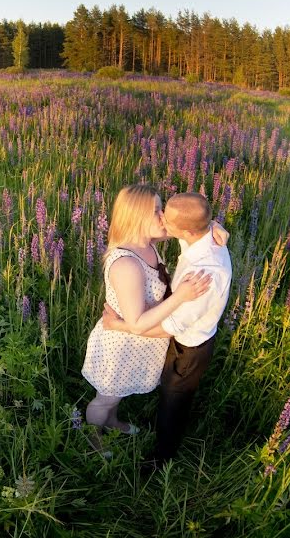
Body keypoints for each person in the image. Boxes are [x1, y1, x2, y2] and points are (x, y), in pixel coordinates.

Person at [81, 185, 228, 446]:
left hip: (137, 343)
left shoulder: (147, 242)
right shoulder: (126, 264)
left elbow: (187, 228)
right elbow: (136, 324)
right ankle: (94, 437)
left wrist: (212, 226)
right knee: (105, 398)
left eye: (162, 209)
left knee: (117, 395)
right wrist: (181, 296)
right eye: (157, 211)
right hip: (121, 344)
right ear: (137, 218)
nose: (163, 218)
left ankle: (112, 422)